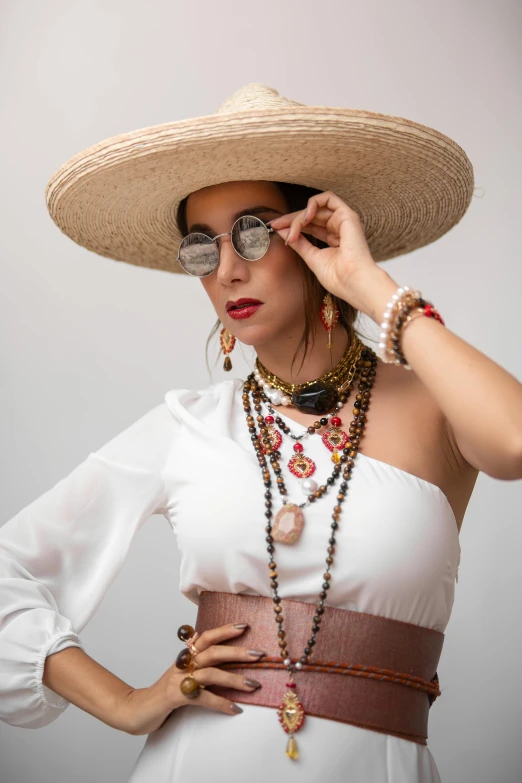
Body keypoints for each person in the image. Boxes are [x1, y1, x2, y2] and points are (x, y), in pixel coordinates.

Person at [2, 83, 522, 783]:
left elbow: (514, 441)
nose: (227, 268)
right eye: (199, 247)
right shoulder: (189, 424)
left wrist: (368, 283)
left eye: (253, 231)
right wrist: (126, 702)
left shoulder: (437, 406)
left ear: (317, 233)